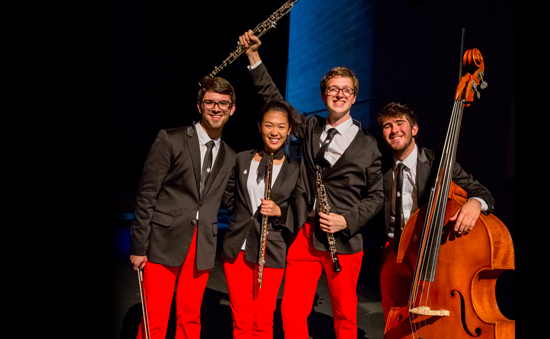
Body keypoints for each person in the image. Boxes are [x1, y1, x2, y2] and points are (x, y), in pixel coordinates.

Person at [238, 30, 384, 339]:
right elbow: (274, 99)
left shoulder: (369, 144)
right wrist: (253, 56)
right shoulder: (311, 127)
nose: (339, 94)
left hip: (344, 241)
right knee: (291, 310)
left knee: (344, 316)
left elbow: (376, 196)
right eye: (333, 89)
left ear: (354, 97)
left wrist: (348, 219)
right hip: (306, 234)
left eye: (346, 90)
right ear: (324, 95)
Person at [129, 76, 238, 339]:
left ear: (232, 109)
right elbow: (146, 196)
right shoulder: (170, 139)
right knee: (153, 318)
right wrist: (138, 247)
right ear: (199, 106)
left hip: (202, 246)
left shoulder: (231, 156)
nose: (217, 108)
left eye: (223, 104)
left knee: (190, 319)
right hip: (162, 242)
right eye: (210, 102)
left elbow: (234, 202)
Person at [375, 102, 496, 321]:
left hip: (429, 252)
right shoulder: (379, 165)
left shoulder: (439, 162)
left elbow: (481, 191)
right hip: (393, 250)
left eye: (400, 123)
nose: (394, 130)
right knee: (393, 317)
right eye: (387, 125)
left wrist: (476, 203)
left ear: (414, 129)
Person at [220, 101, 301, 339]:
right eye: (269, 125)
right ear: (259, 127)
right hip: (238, 247)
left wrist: (279, 211)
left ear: (289, 130)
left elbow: (300, 208)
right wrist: (240, 217)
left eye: (281, 127)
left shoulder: (295, 169)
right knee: (242, 319)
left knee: (263, 320)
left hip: (272, 249)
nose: (274, 132)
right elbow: (229, 193)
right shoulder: (242, 159)